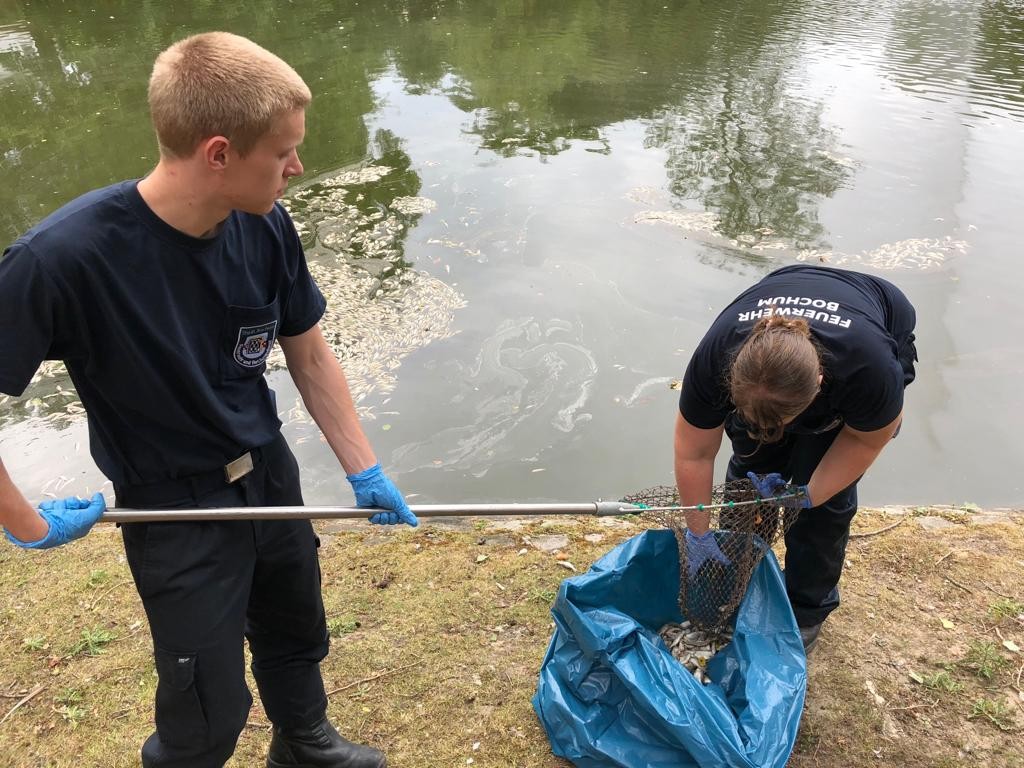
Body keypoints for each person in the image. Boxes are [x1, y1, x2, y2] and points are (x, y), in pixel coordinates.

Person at [0, 32, 416, 768]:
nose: (298, 168)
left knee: (296, 630)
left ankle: (306, 744)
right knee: (207, 706)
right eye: (283, 152)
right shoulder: (63, 258)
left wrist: (363, 468)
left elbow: (308, 351)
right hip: (175, 507)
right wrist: (24, 520)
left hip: (267, 472)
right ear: (219, 153)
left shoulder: (265, 225)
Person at [674, 264, 917, 653]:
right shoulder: (715, 357)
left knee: (822, 509)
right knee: (750, 477)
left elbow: (864, 442)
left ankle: (806, 608)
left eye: (784, 422)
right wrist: (698, 532)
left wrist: (808, 495)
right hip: (782, 295)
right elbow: (695, 452)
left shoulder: (868, 369)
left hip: (874, 318)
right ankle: (737, 575)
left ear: (819, 384)